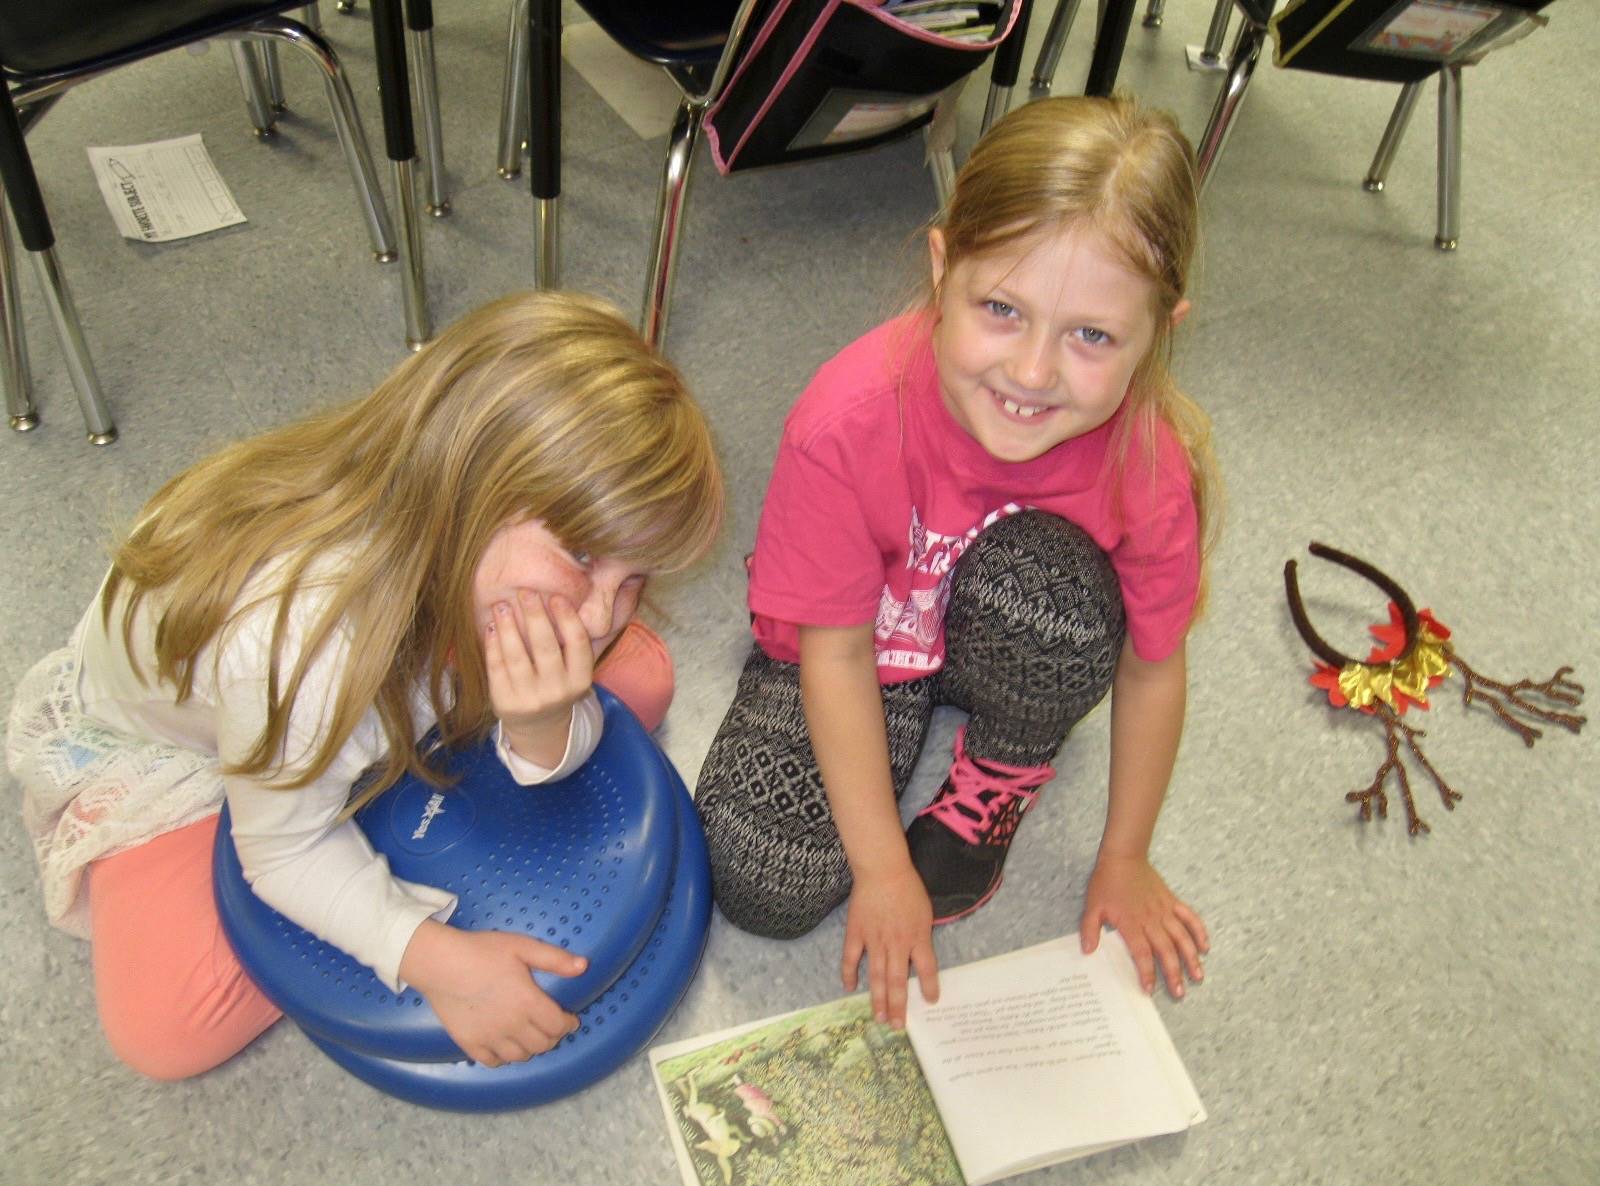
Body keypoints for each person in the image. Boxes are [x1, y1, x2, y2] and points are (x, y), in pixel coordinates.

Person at [6, 291, 723, 1079]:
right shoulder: (301, 650)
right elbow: (283, 854)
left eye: (633, 577)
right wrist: (433, 957)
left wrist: (545, 721)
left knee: (641, 675)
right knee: (167, 1031)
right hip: (178, 744)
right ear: (469, 490)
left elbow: (578, 667)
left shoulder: (477, 548)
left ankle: (384, 756)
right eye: (584, 557)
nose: (597, 616)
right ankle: (332, 778)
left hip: (361, 668)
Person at [694, 96, 1219, 1030]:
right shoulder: (847, 421)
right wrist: (882, 868)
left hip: (1005, 625)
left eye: (1092, 335)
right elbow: (837, 653)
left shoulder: (1147, 463)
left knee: (1053, 594)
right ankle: (924, 737)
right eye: (1002, 310)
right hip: (862, 645)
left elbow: (1153, 665)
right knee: (761, 885)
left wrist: (1126, 855)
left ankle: (1007, 757)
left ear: (1158, 332)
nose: (1031, 372)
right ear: (944, 270)